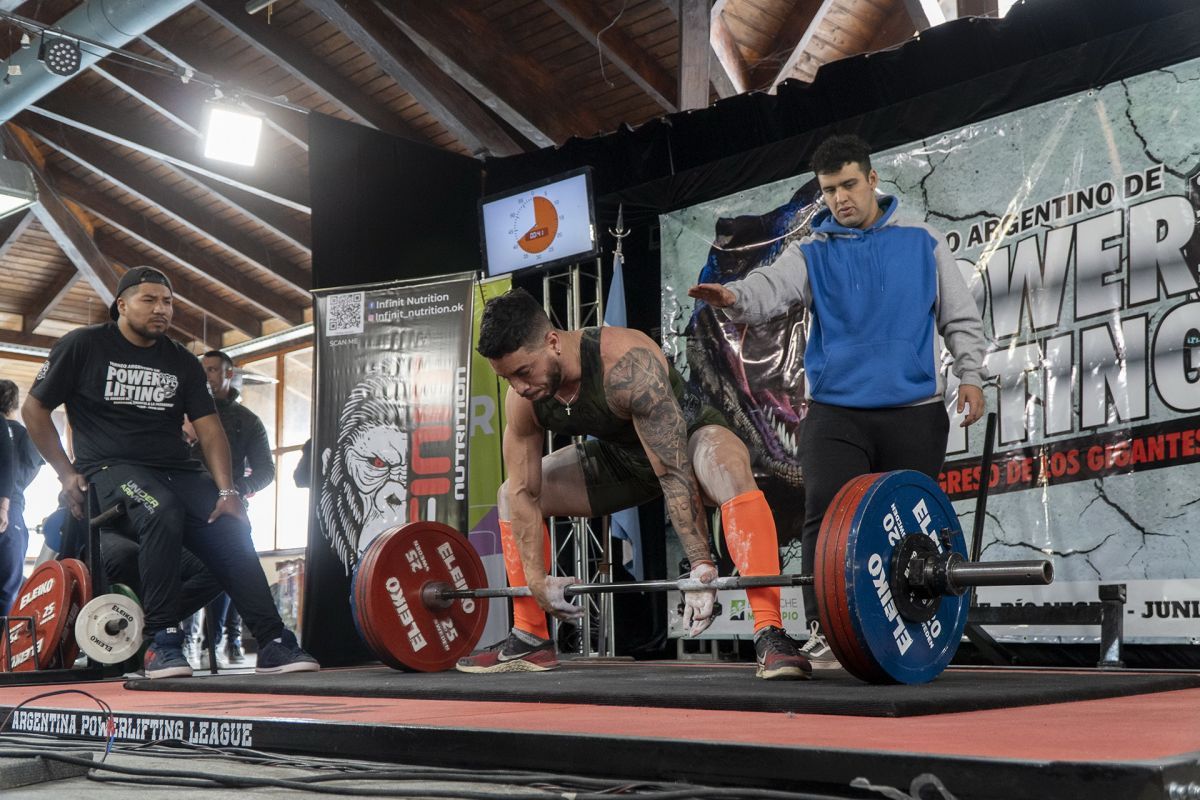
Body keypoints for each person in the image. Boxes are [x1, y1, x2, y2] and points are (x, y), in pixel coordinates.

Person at [688, 133, 987, 669]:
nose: (840, 198)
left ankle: (918, 633)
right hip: (837, 412)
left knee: (912, 527)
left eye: (849, 184)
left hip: (914, 412)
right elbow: (768, 288)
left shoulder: (922, 241)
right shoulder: (812, 252)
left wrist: (971, 375)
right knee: (827, 519)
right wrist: (734, 298)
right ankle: (826, 630)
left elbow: (959, 315)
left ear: (872, 179)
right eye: (829, 190)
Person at [457, 288, 809, 680]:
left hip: (688, 445)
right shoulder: (523, 399)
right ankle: (530, 635)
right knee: (509, 495)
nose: (519, 387)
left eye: (523, 372)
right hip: (621, 460)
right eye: (507, 378)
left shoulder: (625, 362)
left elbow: (672, 469)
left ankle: (770, 632)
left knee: (725, 462)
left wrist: (702, 565)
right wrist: (537, 581)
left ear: (552, 342)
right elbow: (525, 491)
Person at [21, 265, 318, 679]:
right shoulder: (82, 346)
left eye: (168, 302)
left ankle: (272, 641)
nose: (161, 309)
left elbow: (209, 429)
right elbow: (34, 408)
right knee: (160, 508)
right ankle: (162, 642)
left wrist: (228, 492)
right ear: (122, 305)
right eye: (149, 300)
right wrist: (65, 474)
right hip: (110, 468)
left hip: (176, 468)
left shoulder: (181, 360)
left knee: (230, 525)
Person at [185, 350, 275, 667]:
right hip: (184, 504)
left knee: (234, 566)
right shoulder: (181, 415)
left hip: (228, 505)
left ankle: (223, 641)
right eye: (202, 370)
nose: (206, 375)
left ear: (229, 374)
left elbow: (266, 470)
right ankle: (181, 640)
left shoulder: (247, 421)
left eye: (212, 369)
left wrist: (238, 490)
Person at [0, 380, 42, 612]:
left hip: (10, 509)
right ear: (14, 404)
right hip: (12, 511)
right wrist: (16, 488)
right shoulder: (27, 435)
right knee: (7, 590)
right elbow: (32, 468)